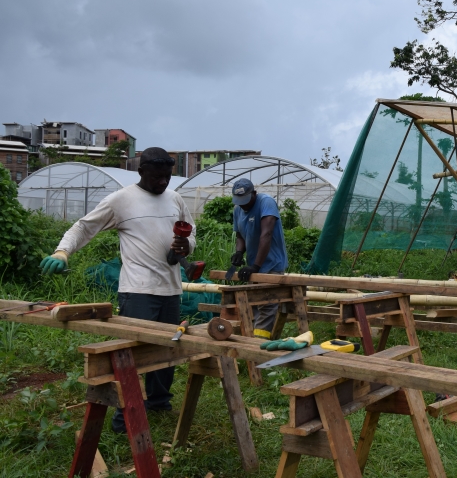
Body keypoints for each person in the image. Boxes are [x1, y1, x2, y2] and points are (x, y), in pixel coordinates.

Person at [39, 147, 195, 434]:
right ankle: (125, 418)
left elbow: (190, 231)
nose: (163, 182)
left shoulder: (175, 199)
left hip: (171, 289)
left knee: (168, 349)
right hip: (138, 290)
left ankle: (159, 404)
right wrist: (62, 252)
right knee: (132, 355)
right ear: (141, 171)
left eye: (167, 176)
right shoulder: (121, 201)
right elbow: (84, 227)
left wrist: (187, 246)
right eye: (157, 177)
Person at [230, 178, 288, 338]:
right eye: (239, 201)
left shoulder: (266, 202)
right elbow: (240, 235)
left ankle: (258, 351)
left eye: (246, 200)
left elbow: (267, 234)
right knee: (252, 306)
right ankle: (251, 347)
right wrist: (239, 252)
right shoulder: (238, 210)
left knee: (267, 306)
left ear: (254, 194)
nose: (243, 205)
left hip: (270, 267)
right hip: (253, 268)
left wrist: (256, 265)